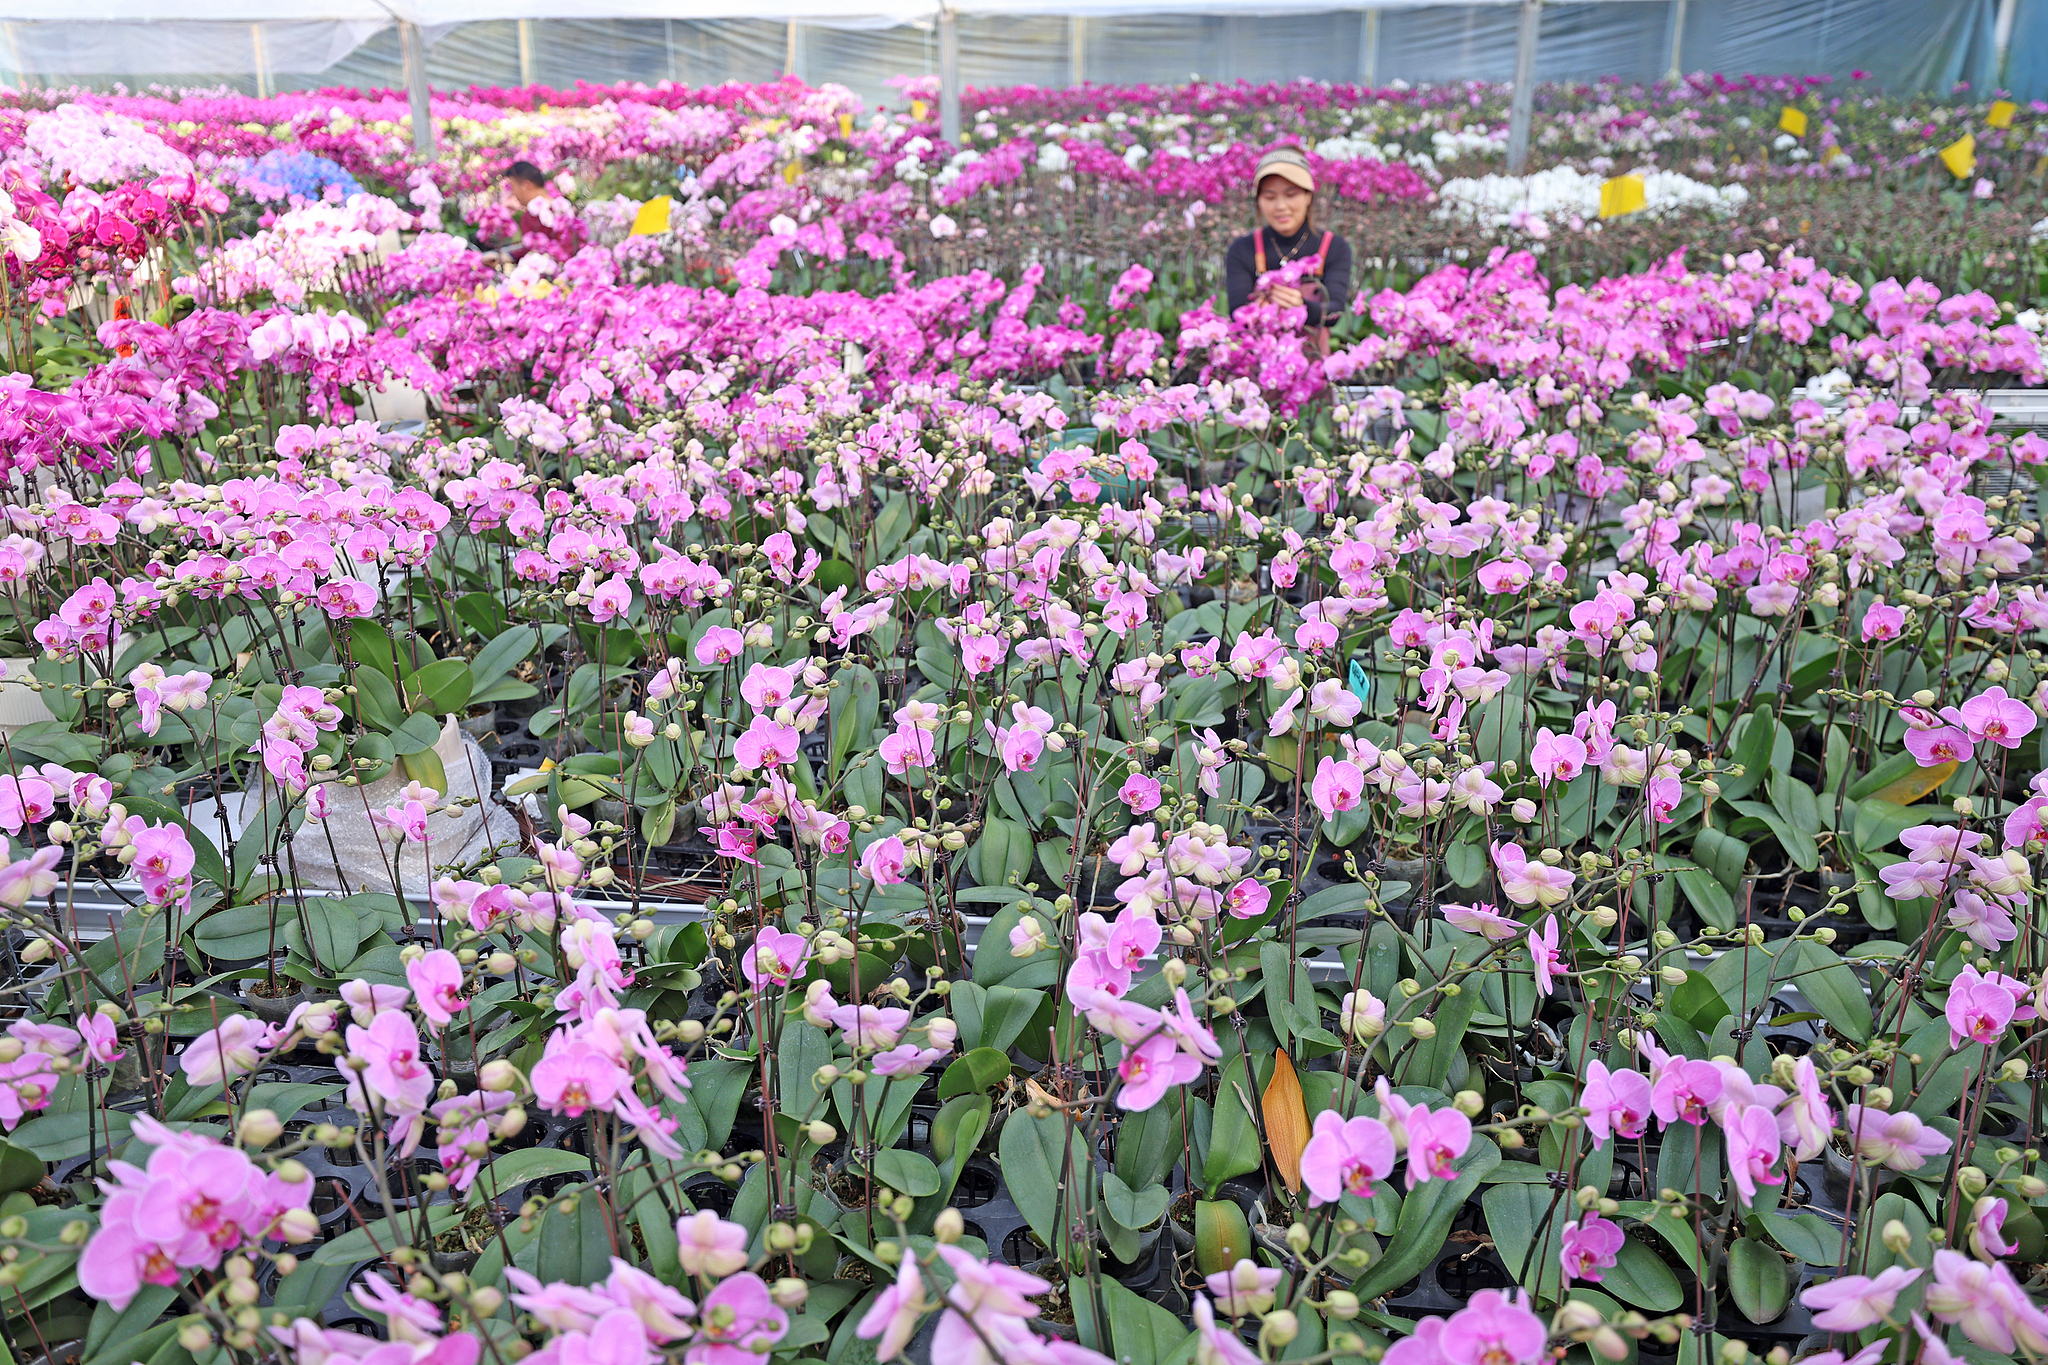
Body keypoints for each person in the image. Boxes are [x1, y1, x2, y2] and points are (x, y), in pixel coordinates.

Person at [1224, 146, 1353, 354]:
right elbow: (1238, 314)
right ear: (1258, 200)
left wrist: (1302, 307)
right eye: (1270, 197)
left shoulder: (1334, 247)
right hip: (1257, 367)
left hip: (1312, 368)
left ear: (1308, 196)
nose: (1281, 206)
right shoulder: (1242, 250)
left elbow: (1335, 312)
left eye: (1291, 194)